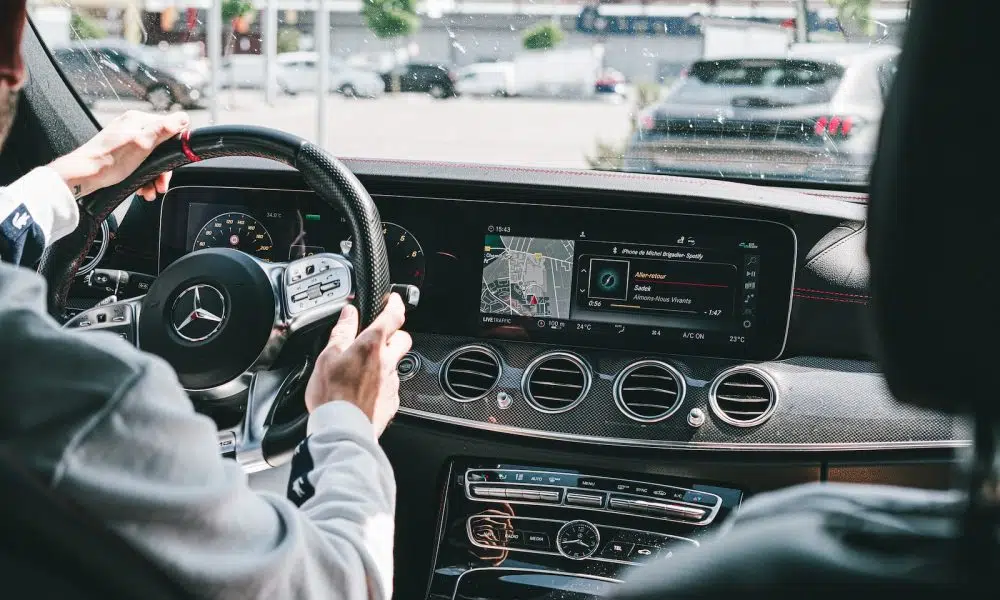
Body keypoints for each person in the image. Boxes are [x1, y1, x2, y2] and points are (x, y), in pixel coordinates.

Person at [1, 3, 411, 599]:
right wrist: (346, 422)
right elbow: (344, 584)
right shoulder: (84, 405)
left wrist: (66, 180)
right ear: (15, 49)